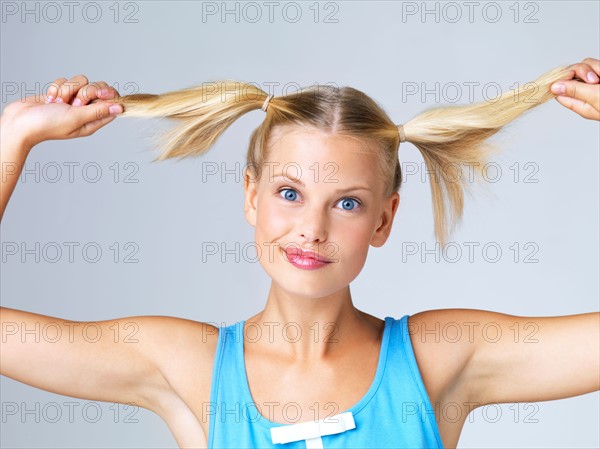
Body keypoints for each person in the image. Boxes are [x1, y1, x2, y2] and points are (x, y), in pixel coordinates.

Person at [1, 58, 598, 449]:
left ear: (384, 220)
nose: (311, 229)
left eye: (347, 204)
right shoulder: (187, 366)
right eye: (290, 193)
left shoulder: (440, 357)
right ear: (251, 196)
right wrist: (15, 136)